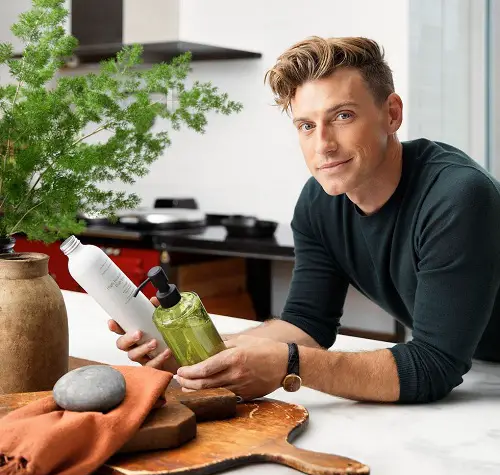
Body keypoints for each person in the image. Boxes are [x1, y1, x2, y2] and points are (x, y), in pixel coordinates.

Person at [108, 36, 500, 404]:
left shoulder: (457, 196)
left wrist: (288, 364)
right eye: (307, 126)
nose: (323, 145)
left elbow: (434, 365)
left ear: (391, 114)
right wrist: (196, 355)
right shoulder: (319, 201)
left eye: (343, 116)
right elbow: (307, 323)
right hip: (479, 371)